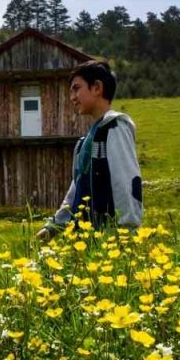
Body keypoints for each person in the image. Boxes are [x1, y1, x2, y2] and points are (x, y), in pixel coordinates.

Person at [35, 60, 143, 242]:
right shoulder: (86, 140)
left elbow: (126, 182)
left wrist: (127, 232)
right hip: (86, 240)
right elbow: (77, 189)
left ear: (97, 88)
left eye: (76, 89)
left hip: (109, 238)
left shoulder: (114, 128)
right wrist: (54, 226)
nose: (72, 97)